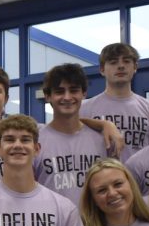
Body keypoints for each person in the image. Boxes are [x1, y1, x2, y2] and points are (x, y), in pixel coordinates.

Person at [35, 64, 105, 205]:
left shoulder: (102, 139)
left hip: (95, 225)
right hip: (53, 224)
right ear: (48, 96)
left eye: (74, 90)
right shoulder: (35, 141)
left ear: (83, 93)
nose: (67, 97)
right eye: (59, 91)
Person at [80, 43, 149, 158]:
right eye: (113, 62)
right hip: (98, 174)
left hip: (138, 176)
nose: (121, 66)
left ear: (135, 67)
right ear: (102, 70)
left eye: (126, 61)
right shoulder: (83, 109)